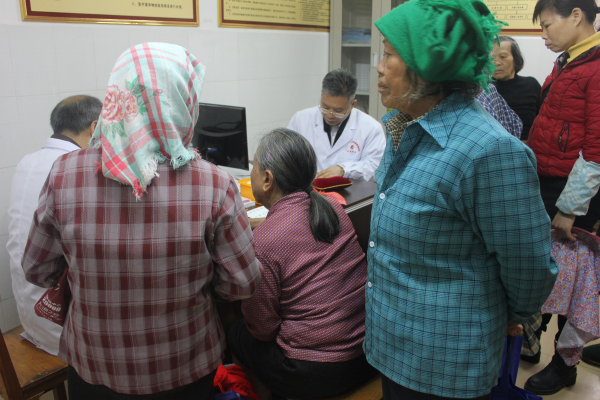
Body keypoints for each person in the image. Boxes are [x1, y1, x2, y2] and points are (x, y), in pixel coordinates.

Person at [22, 43, 262, 400]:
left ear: (117, 93)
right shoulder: (214, 183)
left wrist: (91, 276)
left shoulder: (65, 173)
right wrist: (192, 286)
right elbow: (242, 282)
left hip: (94, 365)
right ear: (184, 101)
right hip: (184, 364)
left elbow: (37, 268)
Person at [367, 1, 559, 399]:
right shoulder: (404, 127)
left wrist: (510, 313)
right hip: (393, 345)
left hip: (446, 361)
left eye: (388, 54)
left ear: (427, 66)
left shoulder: (487, 151)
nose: (379, 67)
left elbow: (529, 266)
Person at [228, 128, 376, 400]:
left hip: (317, 373)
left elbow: (263, 329)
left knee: (237, 331)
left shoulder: (264, 242)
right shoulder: (331, 207)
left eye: (254, 167)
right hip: (367, 354)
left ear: (267, 179)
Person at [523, 0, 600, 395]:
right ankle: (533, 341)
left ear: (576, 16)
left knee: (575, 281)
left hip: (575, 191)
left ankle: (565, 364)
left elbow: (596, 148)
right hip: (549, 182)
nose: (544, 35)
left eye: (548, 25)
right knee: (547, 273)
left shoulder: (596, 66)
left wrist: (570, 208)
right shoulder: (569, 61)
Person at [6, 95, 102, 356]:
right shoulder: (74, 170)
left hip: (29, 312)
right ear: (95, 128)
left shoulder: (28, 161)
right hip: (59, 322)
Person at [287, 69, 386, 181]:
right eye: (325, 107)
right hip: (309, 188)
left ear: (353, 104)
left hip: (351, 190)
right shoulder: (300, 119)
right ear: (321, 95)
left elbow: (375, 167)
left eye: (338, 111)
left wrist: (344, 170)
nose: (330, 115)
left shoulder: (371, 128)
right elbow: (286, 157)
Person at [491, 36, 542, 141]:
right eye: (492, 58)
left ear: (516, 59)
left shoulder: (531, 85)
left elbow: (544, 119)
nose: (496, 63)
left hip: (527, 146)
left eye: (503, 57)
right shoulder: (483, 90)